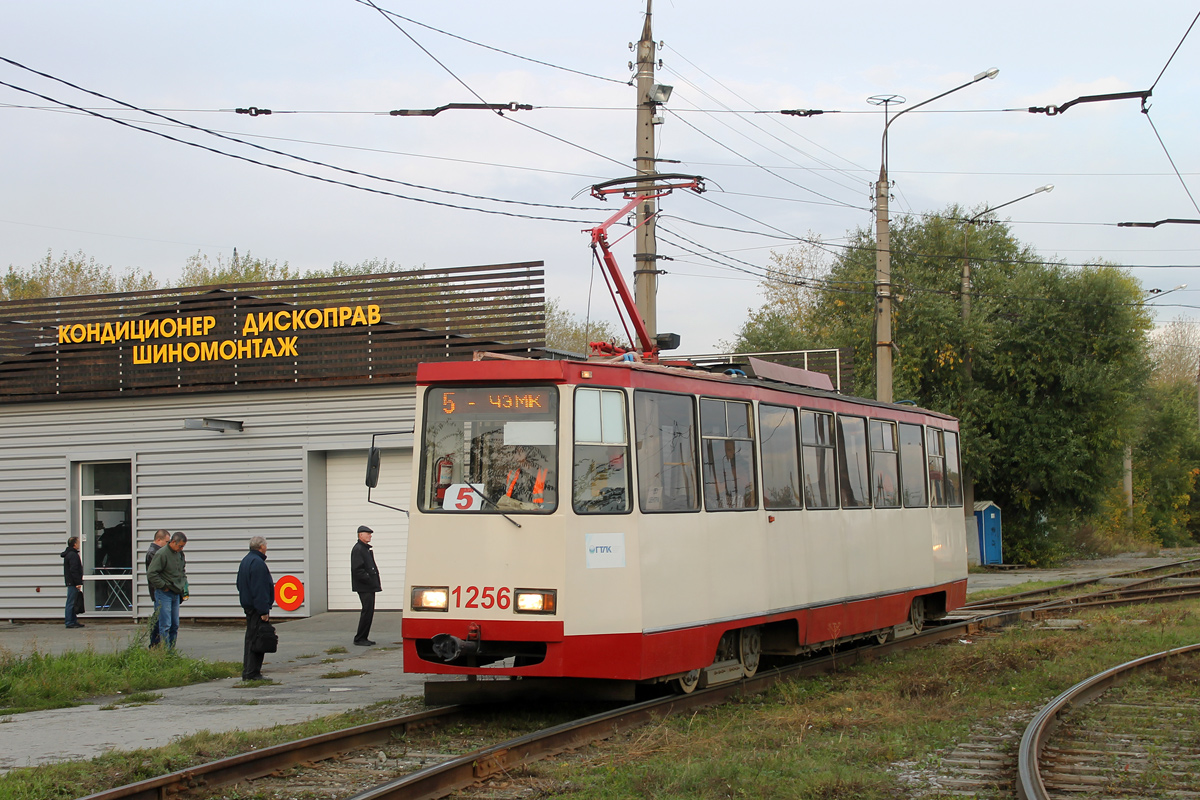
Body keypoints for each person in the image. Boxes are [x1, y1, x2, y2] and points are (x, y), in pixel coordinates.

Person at [236, 535, 274, 681]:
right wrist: (263, 610)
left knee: (251, 638)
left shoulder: (245, 561)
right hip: (257, 608)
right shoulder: (258, 563)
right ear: (261, 547)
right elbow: (260, 589)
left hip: (248, 606)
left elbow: (239, 584)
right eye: (266, 545)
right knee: (258, 640)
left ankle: (248, 671)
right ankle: (252, 673)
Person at [147, 531, 188, 648]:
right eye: (180, 546)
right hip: (164, 593)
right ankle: (164, 650)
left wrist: (184, 584)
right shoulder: (161, 554)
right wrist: (163, 586)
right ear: (173, 542)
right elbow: (151, 573)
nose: (181, 549)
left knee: (174, 624)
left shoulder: (180, 554)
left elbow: (181, 570)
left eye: (183, 547)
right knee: (165, 624)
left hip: (176, 592)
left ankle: (171, 650)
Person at [350, 525, 381, 646]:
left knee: (369, 611)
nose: (370, 536)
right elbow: (357, 570)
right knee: (367, 611)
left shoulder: (365, 549)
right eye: (368, 534)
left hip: (368, 586)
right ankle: (359, 638)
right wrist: (369, 580)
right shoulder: (358, 549)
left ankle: (363, 637)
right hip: (365, 586)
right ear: (360, 535)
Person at [145, 529, 170, 646]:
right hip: (158, 590)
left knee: (159, 616)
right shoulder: (154, 553)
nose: (167, 545)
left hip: (158, 589)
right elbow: (155, 573)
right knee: (159, 617)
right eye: (166, 542)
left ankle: (156, 642)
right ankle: (155, 643)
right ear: (159, 540)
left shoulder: (157, 552)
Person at [60, 536, 84, 629]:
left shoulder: (69, 554)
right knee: (71, 602)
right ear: (74, 544)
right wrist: (78, 582)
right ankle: (70, 621)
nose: (79, 544)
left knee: (73, 602)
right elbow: (74, 570)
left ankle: (73, 620)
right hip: (72, 582)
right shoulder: (73, 555)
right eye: (78, 542)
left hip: (71, 582)